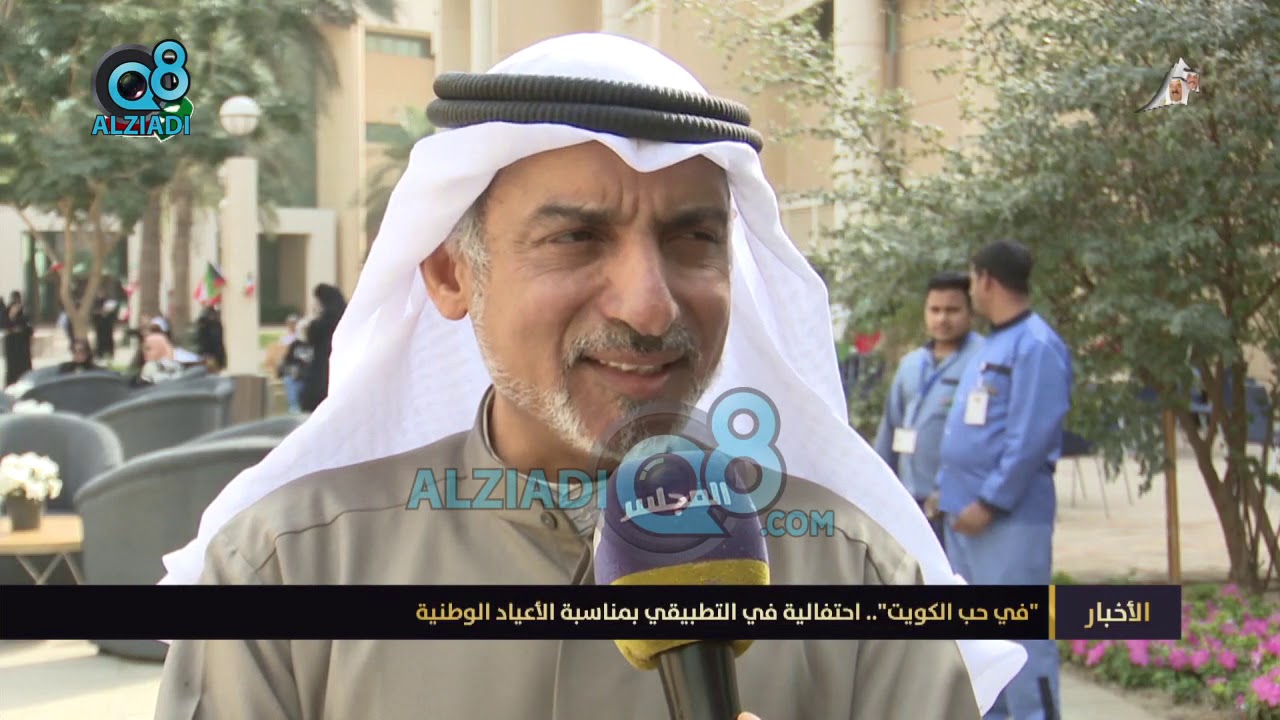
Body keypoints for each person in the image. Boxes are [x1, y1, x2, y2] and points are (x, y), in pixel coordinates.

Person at [153, 33, 1025, 720]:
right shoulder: (284, 575)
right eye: (576, 239)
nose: (649, 305)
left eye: (692, 239)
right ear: (452, 275)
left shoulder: (862, 580)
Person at [936, 239, 1072, 720]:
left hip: (1006, 522)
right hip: (965, 517)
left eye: (973, 279)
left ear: (986, 279)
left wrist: (990, 502)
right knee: (980, 640)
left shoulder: (1036, 345)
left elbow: (1031, 438)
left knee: (1020, 631)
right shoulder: (991, 344)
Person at [874, 271, 984, 546]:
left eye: (952, 310)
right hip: (909, 500)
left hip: (957, 504)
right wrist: (879, 487)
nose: (942, 319)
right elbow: (890, 428)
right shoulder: (911, 364)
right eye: (934, 310)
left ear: (971, 312)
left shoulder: (983, 361)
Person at [298, 283, 346, 412]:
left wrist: (313, 318)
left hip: (320, 376)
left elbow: (308, 336)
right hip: (341, 375)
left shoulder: (322, 322)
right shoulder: (345, 317)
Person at [3, 291, 33, 387]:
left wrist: (22, 330)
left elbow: (29, 329)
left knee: (24, 369)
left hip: (22, 346)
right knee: (12, 369)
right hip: (12, 345)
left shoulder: (24, 313)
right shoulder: (6, 312)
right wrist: (11, 316)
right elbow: (5, 325)